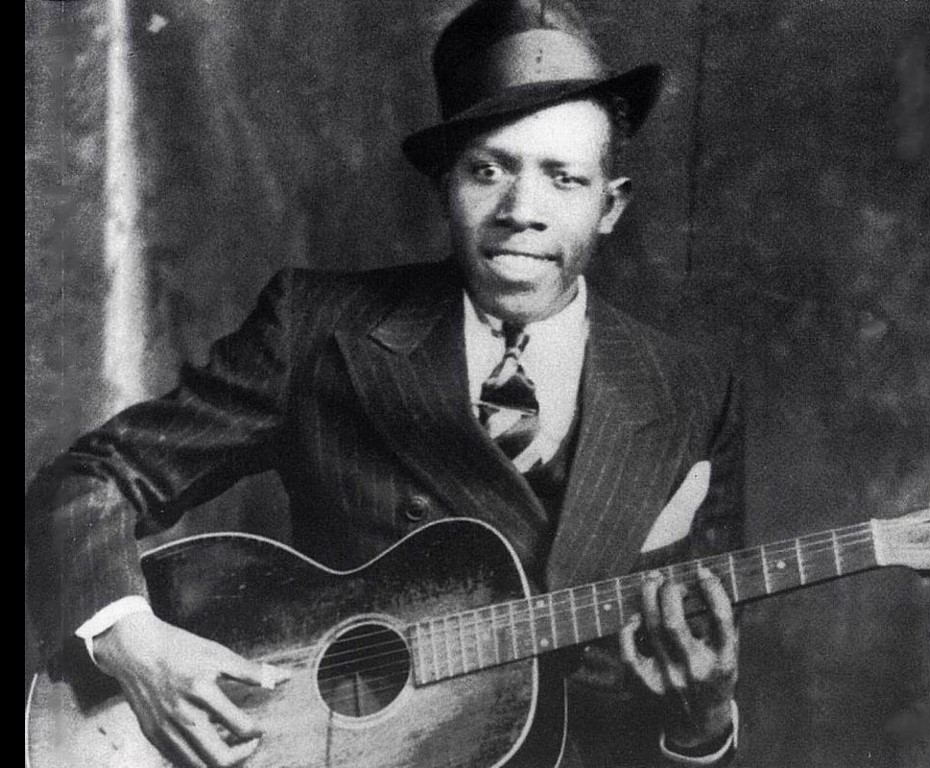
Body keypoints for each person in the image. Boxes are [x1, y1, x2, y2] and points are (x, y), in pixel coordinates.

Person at [25, 0, 745, 766]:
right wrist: (134, 643)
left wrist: (702, 728)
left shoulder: (692, 394)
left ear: (612, 203)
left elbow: (697, 690)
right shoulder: (318, 329)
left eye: (564, 178)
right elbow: (85, 484)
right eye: (488, 170)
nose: (521, 213)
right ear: (444, 185)